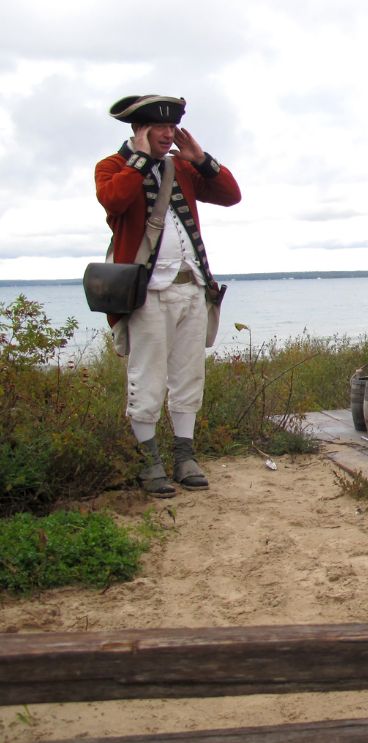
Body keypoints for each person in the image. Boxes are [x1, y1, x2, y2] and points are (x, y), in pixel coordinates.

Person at [95, 95, 241, 495]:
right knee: (147, 378)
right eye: (160, 128)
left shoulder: (181, 167)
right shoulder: (112, 167)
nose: (168, 134)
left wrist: (201, 157)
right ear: (140, 130)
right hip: (147, 295)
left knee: (188, 375)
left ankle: (184, 455)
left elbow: (230, 194)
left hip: (192, 288)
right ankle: (150, 461)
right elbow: (115, 201)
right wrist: (140, 160)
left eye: (172, 128)